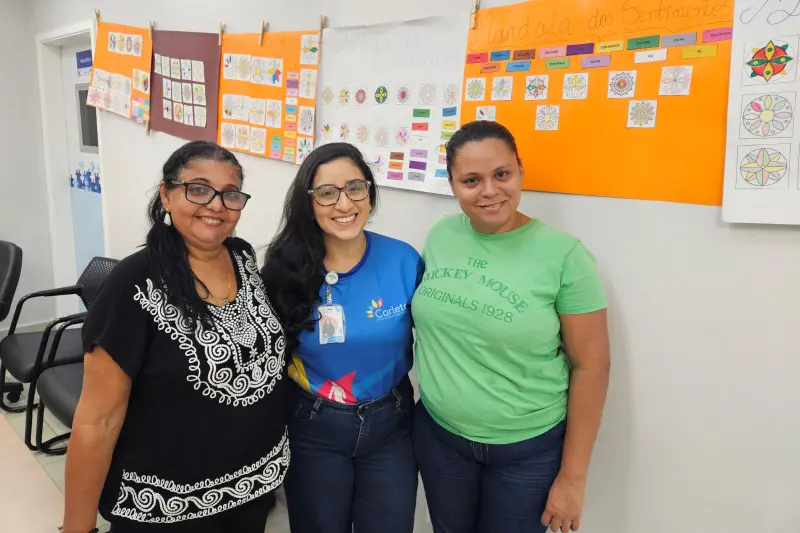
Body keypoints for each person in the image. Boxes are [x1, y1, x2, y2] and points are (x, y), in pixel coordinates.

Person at [61, 141, 288, 533]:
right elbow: (97, 422)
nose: (216, 205)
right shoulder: (133, 283)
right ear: (166, 195)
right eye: (198, 189)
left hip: (251, 491)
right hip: (164, 508)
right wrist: (77, 528)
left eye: (230, 194)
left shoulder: (243, 258)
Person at [412, 121, 610, 533]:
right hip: (440, 439)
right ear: (452, 184)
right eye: (471, 180)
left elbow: (592, 367)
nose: (489, 190)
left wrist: (573, 479)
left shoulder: (565, 256)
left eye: (501, 174)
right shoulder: (442, 234)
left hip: (527, 452)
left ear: (520, 171)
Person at [262, 142, 421, 533]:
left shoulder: (403, 260)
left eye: (354, 187)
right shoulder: (284, 270)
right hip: (313, 425)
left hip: (391, 424)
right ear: (309, 202)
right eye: (327, 193)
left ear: (370, 191)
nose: (344, 203)